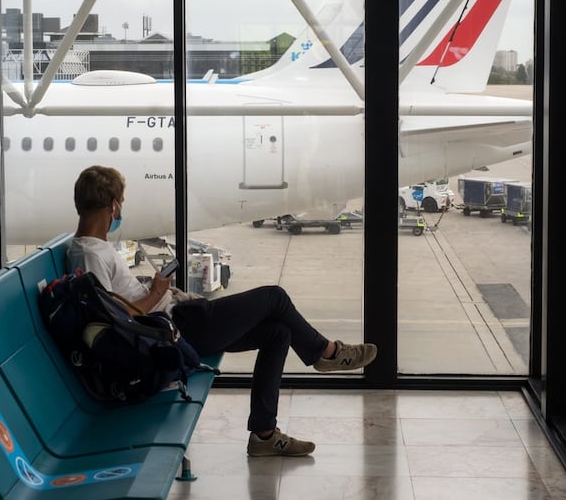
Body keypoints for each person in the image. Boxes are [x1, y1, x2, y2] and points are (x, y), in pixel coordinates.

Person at [67, 165, 377, 457]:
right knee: (274, 297)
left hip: (180, 320)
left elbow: (118, 304)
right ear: (112, 206)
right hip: (175, 329)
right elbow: (112, 320)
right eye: (120, 201)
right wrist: (156, 293)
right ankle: (326, 352)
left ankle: (264, 436)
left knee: (278, 333)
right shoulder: (89, 254)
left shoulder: (95, 247)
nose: (121, 208)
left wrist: (155, 291)